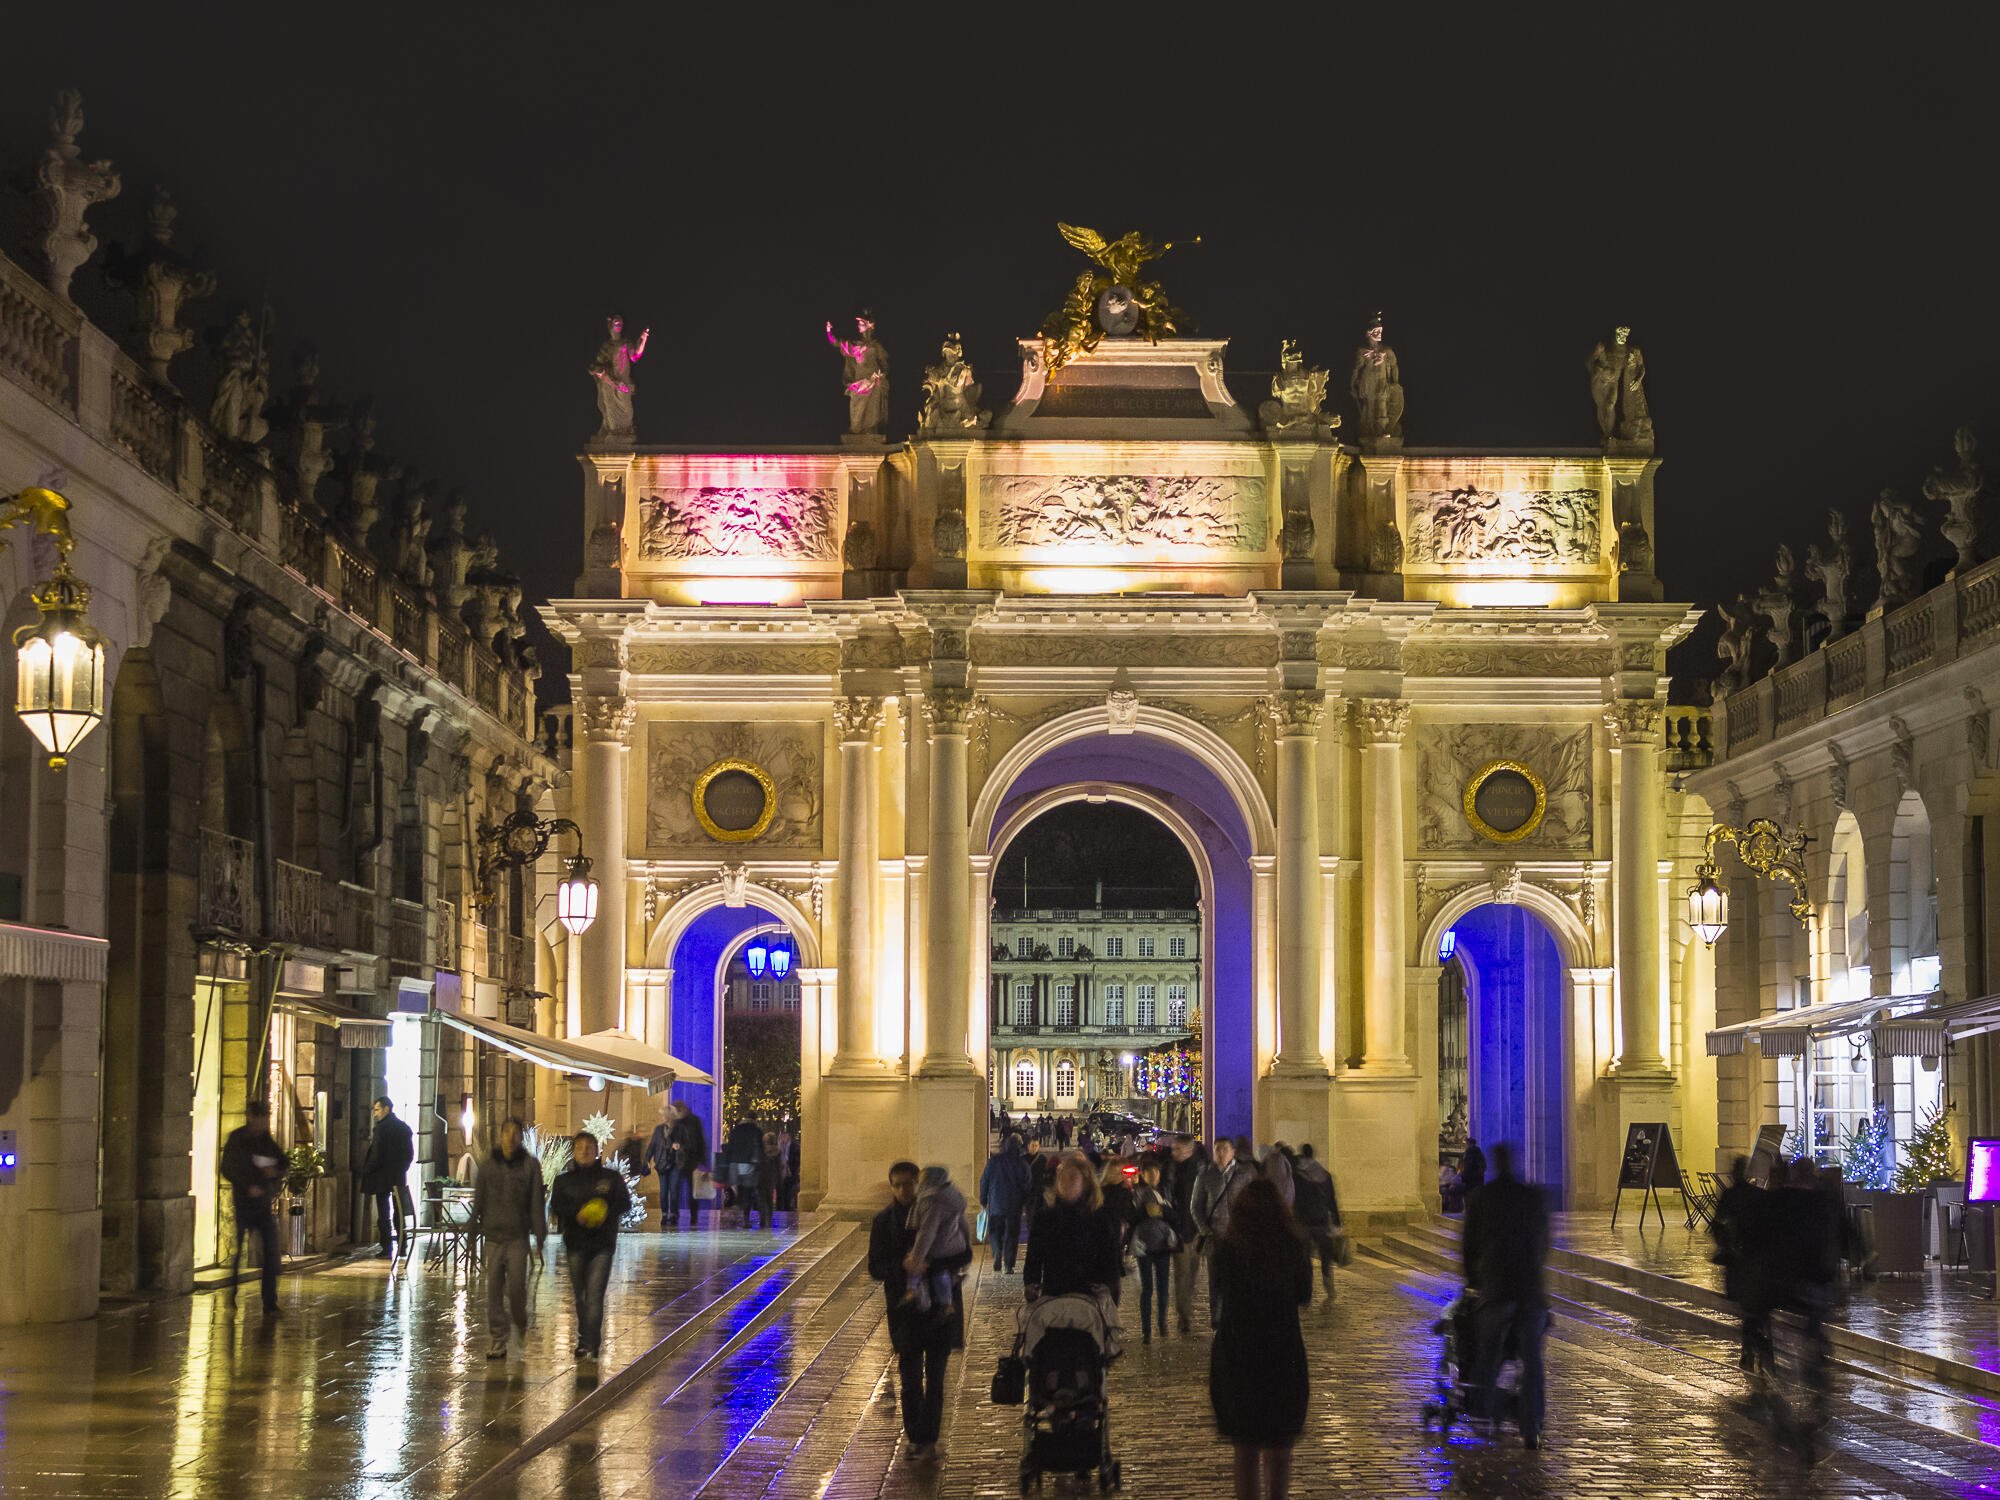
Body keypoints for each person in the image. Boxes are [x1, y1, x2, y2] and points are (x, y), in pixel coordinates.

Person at [1209, 1179, 1312, 1500]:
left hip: (1238, 1353)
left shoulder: (1226, 1249)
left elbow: (1220, 1292)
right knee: (1280, 1448)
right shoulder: (1294, 1246)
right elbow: (1304, 1295)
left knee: (1246, 1449)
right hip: (1283, 1354)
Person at [1459, 1142, 1549, 1448]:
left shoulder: (1481, 1198)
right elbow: (1543, 1244)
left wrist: (1473, 1283)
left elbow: (1469, 1248)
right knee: (1532, 1360)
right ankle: (1532, 1424)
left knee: (1487, 1352)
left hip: (1496, 1290)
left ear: (1494, 1164)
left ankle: (1482, 1413)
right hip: (1530, 1290)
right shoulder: (1533, 1197)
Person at [868, 1162, 960, 1460]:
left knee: (935, 1376)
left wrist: (931, 1264)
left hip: (937, 1309)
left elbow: (957, 1254)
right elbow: (875, 1267)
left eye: (909, 1183)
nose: (904, 1190)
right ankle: (915, 1436)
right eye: (897, 1185)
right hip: (904, 1311)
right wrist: (902, 1266)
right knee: (909, 1378)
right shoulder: (884, 1222)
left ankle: (929, 1438)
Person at [548, 1130, 632, 1361]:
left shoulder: (610, 1178)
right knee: (581, 1296)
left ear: (596, 1151)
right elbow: (556, 1206)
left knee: (594, 1294)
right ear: (574, 1152)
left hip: (602, 1245)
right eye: (580, 1148)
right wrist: (576, 1214)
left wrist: (606, 1212)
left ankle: (591, 1344)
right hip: (575, 1244)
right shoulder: (563, 1181)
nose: (584, 1152)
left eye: (589, 1148)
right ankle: (584, 1337)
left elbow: (624, 1203)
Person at [471, 1116, 547, 1360]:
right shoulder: (488, 1166)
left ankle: (520, 1322)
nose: (511, 1138)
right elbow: (479, 1199)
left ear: (521, 1138)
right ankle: (498, 1339)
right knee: (493, 1289)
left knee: (516, 1288)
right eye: (507, 1133)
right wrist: (472, 1230)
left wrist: (540, 1234)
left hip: (517, 1236)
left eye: (516, 1133)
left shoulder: (530, 1165)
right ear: (501, 1135)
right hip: (493, 1236)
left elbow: (536, 1201)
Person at [1024, 1151, 1122, 1300]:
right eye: (1062, 1176)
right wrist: (1031, 1284)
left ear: (1086, 1182)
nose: (1066, 1181)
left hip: (1090, 1299)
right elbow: (1034, 1257)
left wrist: (1110, 1295)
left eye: (1073, 1177)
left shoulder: (1100, 1218)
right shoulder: (1045, 1217)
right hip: (1054, 1297)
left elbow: (1110, 1261)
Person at [220, 1101, 286, 1315]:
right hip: (243, 1203)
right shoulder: (237, 1139)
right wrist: (247, 1185)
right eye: (258, 1119)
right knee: (238, 1251)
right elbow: (227, 1168)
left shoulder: (266, 1140)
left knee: (270, 1252)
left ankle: (269, 1301)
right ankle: (231, 1294)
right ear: (249, 1117)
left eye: (263, 1119)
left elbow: (283, 1162)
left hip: (262, 1205)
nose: (260, 1124)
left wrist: (274, 1172)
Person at [1193, 1136, 1253, 1326]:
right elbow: (1196, 1207)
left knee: (1238, 1279)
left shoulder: (1244, 1175)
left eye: (1225, 1149)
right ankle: (1217, 1320)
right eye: (1217, 1149)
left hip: (1238, 1237)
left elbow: (1252, 1205)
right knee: (1216, 1281)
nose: (1221, 1153)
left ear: (1233, 1152)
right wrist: (1205, 1230)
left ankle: (1236, 1318)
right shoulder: (1205, 1175)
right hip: (1215, 1237)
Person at [1710, 1155, 1763, 1371]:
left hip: (1738, 1257)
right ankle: (1753, 1345)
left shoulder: (1729, 1195)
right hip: (1755, 1256)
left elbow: (1717, 1224)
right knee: (1755, 1306)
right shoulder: (1757, 1195)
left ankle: (1749, 1347)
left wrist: (1725, 1246)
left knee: (1747, 1306)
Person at [1130, 1158, 1180, 1342]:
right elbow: (1131, 1217)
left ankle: (1162, 1323)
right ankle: (1146, 1330)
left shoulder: (1166, 1191)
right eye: (1149, 1172)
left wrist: (1161, 1211)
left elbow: (1175, 1215)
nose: (1153, 1175)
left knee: (1163, 1288)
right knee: (1147, 1289)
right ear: (1143, 1175)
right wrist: (1145, 1211)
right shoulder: (1137, 1192)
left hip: (1163, 1245)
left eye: (1156, 1172)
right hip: (1144, 1246)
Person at [360, 1097, 415, 1258]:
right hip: (398, 1176)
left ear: (386, 1109)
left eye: (377, 1110)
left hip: (381, 1177)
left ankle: (386, 1247)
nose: (375, 1114)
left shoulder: (381, 1129)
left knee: (383, 1214)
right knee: (399, 1212)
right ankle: (402, 1246)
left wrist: (367, 1170)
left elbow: (376, 1154)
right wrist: (401, 1169)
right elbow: (409, 1154)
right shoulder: (403, 1127)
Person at [1166, 1135, 1207, 1334]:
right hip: (1180, 1230)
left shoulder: (1200, 1170)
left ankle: (1186, 1307)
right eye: (1173, 1149)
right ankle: (1184, 1315)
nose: (1174, 1153)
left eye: (1178, 1149)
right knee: (1182, 1275)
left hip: (1196, 1231)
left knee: (1192, 1273)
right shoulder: (1170, 1168)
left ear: (1189, 1150)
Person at [1291, 1144, 1343, 1299]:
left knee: (1305, 1258)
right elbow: (1332, 1201)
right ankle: (1328, 1282)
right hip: (1322, 1221)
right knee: (1326, 1256)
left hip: (1304, 1223)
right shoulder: (1326, 1175)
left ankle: (1307, 1290)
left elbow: (1295, 1200)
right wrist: (1337, 1222)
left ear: (1302, 1155)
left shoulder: (1297, 1176)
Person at [979, 1132, 1034, 1274]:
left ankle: (997, 1254)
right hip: (1014, 1207)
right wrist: (1024, 1203)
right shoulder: (1022, 1164)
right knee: (1012, 1235)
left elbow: (984, 1180)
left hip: (996, 1205)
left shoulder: (994, 1161)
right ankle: (1009, 1265)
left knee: (995, 1233)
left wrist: (983, 1200)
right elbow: (1027, 1185)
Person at [726, 1114, 765, 1226]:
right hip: (750, 1164)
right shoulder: (756, 1131)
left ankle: (738, 1212)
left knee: (740, 1190)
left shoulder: (736, 1130)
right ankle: (746, 1218)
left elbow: (729, 1146)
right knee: (749, 1192)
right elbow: (760, 1149)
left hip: (736, 1164)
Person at [751, 1130, 784, 1233]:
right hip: (771, 1177)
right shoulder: (777, 1151)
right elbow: (779, 1167)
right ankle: (769, 1219)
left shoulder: (761, 1151)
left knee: (761, 1199)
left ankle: (762, 1219)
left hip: (760, 1177)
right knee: (769, 1199)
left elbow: (755, 1164)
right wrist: (779, 1179)